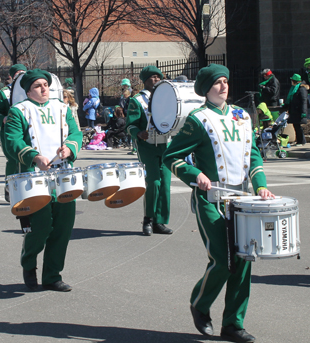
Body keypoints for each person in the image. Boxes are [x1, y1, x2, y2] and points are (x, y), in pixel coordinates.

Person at [163, 64, 274, 343]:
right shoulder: (197, 119)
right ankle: (199, 305)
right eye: (217, 83)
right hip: (210, 199)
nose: (223, 86)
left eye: (225, 81)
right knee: (223, 261)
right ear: (206, 89)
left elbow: (254, 155)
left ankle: (233, 324)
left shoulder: (242, 116)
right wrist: (194, 174)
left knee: (243, 262)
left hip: (243, 200)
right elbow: (172, 157)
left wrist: (260, 186)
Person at [4, 69, 82, 292]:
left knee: (63, 227)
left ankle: (52, 275)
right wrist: (34, 157)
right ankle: (29, 264)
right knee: (40, 227)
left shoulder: (62, 108)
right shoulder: (18, 111)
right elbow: (13, 141)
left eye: (45, 85)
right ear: (28, 91)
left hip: (63, 174)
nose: (44, 88)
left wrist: (70, 148)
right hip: (34, 176)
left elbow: (76, 133)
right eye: (38, 86)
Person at [125, 66, 173, 236]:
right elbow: (130, 124)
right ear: (144, 81)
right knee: (153, 182)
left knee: (165, 183)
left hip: (165, 144)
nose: (156, 80)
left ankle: (160, 221)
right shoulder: (137, 100)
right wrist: (138, 133)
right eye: (152, 77)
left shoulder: (169, 98)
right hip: (147, 145)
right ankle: (148, 220)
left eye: (158, 77)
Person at [0, 64, 28, 199]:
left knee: (29, 159)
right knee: (14, 160)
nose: (21, 75)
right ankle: (10, 188)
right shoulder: (4, 93)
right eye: (18, 73)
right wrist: (3, 119)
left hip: (29, 131)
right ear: (12, 76)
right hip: (10, 132)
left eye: (23, 72)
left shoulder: (31, 90)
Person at [283, 74, 308, 146]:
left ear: (295, 81)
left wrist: (303, 112)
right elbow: (291, 99)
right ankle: (299, 140)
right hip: (294, 111)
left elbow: (304, 101)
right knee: (296, 126)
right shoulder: (294, 88)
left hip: (298, 111)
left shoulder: (301, 89)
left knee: (298, 126)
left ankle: (302, 141)